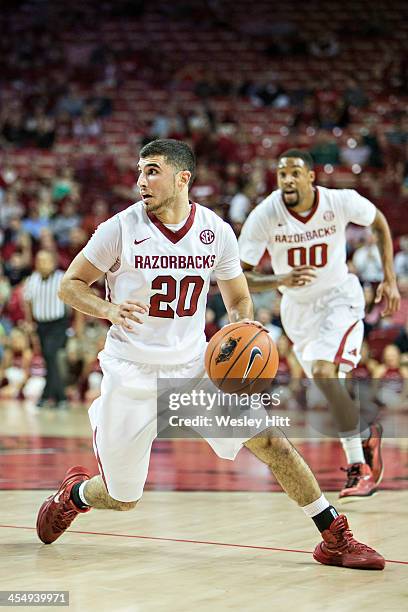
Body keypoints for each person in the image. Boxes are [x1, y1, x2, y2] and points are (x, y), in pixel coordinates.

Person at [36, 139, 384, 570]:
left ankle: (333, 536)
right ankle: (75, 495)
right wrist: (108, 309)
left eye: (152, 171)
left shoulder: (215, 231)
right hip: (132, 373)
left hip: (193, 369)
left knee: (272, 441)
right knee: (123, 498)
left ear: (183, 178)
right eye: (140, 171)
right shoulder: (119, 229)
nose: (140, 180)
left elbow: (239, 299)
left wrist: (240, 333)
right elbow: (70, 284)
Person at [238, 148, 400, 501]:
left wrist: (389, 278)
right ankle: (365, 439)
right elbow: (241, 274)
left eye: (294, 173)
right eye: (282, 174)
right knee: (327, 386)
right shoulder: (266, 213)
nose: (287, 180)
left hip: (339, 298)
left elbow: (379, 222)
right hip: (298, 311)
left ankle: (360, 467)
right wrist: (280, 279)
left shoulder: (339, 201)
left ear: (310, 177)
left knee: (327, 374)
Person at [23, 250, 70, 408]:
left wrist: (76, 326)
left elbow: (73, 303)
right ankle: (57, 397)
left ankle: (52, 396)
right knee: (49, 359)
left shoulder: (62, 278)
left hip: (58, 324)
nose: (43, 264)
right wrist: (30, 323)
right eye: (40, 260)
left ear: (53, 262)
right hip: (41, 325)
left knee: (50, 354)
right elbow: (27, 302)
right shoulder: (32, 279)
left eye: (46, 260)